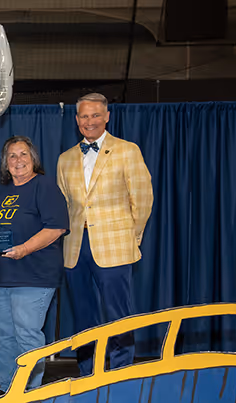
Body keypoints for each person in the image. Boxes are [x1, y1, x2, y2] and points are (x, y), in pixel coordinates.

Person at [57, 93, 153, 375]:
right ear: (77, 120)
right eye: (84, 116)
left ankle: (121, 371)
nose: (90, 121)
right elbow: (63, 206)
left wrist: (130, 239)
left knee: (118, 313)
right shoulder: (65, 159)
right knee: (84, 315)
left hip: (115, 245)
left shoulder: (127, 150)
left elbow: (143, 199)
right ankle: (88, 371)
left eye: (96, 115)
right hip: (75, 248)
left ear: (107, 117)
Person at [0, 136, 69, 394]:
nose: (18, 161)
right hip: (1, 277)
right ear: (5, 164)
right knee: (5, 337)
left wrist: (24, 249)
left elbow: (56, 228)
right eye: (12, 156)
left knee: (27, 336)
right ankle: (8, 390)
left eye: (23, 155)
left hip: (34, 276)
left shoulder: (45, 187)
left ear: (33, 160)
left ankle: (30, 392)